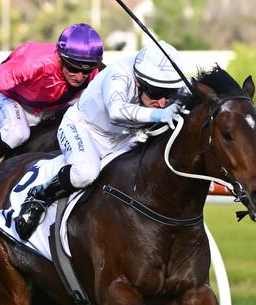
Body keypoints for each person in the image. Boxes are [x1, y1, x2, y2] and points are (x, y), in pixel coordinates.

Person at [14, 40, 189, 240]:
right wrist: (158, 115)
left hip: (124, 137)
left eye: (170, 94)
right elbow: (116, 111)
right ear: (139, 82)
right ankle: (39, 196)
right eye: (157, 94)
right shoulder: (119, 74)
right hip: (83, 129)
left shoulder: (170, 79)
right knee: (85, 172)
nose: (163, 103)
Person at [0, 23, 104, 202]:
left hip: (52, 107)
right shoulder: (33, 63)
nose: (79, 76)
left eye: (86, 70)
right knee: (18, 133)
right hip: (13, 100)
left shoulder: (93, 72)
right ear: (61, 58)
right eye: (73, 68)